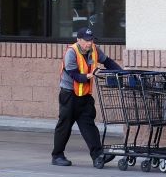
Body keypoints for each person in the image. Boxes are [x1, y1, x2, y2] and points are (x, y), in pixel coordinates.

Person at [51, 27, 121, 166]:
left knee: (89, 125)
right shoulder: (71, 53)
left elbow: (107, 62)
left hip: (84, 95)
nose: (89, 43)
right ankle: (57, 156)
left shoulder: (94, 49)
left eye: (91, 40)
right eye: (86, 40)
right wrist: (90, 75)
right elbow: (75, 75)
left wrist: (121, 72)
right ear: (78, 40)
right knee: (64, 126)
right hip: (69, 94)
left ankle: (98, 156)